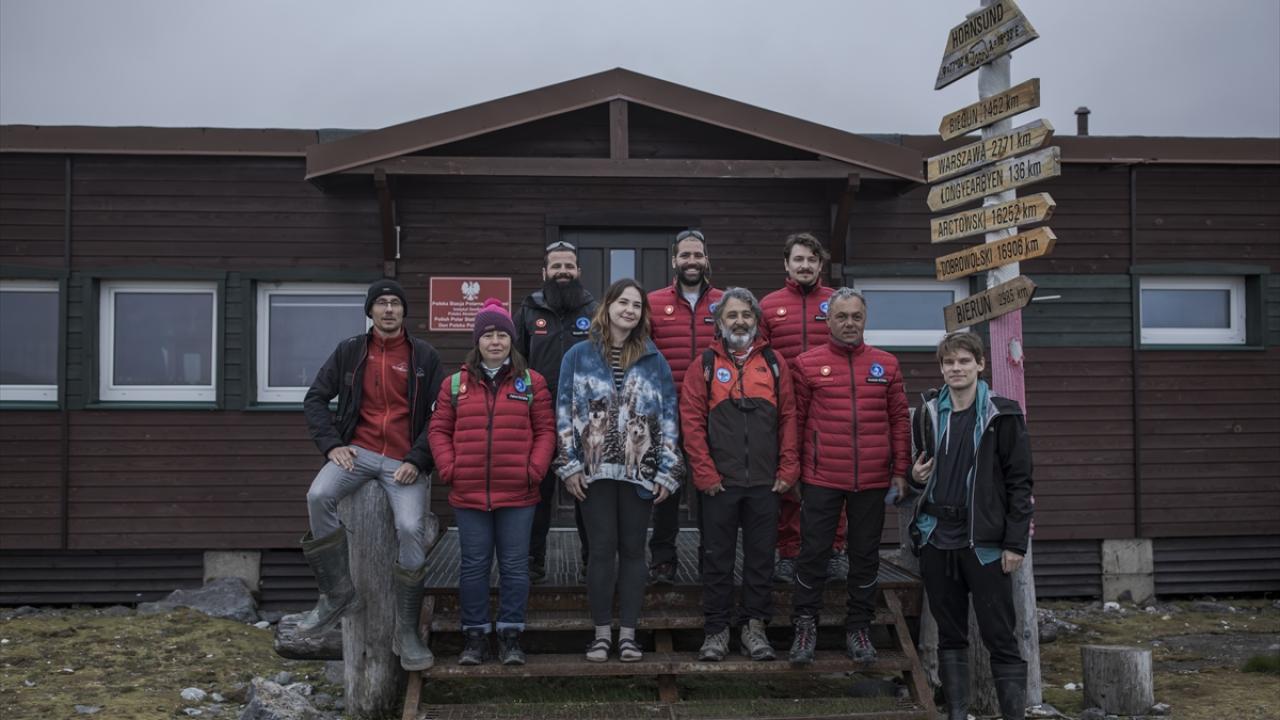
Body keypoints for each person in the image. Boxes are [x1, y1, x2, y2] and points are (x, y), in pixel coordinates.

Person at [299, 279, 445, 672]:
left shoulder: (424, 356)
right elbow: (315, 398)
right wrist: (332, 445)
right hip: (357, 453)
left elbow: (440, 416)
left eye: (395, 303)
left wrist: (417, 459)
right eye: (381, 303)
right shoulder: (350, 352)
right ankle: (338, 592)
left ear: (403, 311)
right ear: (370, 311)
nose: (388, 310)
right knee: (318, 496)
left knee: (411, 527)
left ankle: (407, 630)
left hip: (404, 461)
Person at [556, 279, 683, 662]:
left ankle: (628, 634)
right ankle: (600, 636)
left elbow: (668, 417)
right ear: (608, 306)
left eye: (637, 305)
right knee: (600, 550)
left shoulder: (653, 358)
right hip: (593, 472)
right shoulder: (577, 356)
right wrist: (569, 466)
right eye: (623, 302)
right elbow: (563, 412)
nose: (629, 309)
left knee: (632, 550)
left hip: (638, 471)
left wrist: (667, 470)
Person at [908, 331, 1033, 720]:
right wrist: (915, 476)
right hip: (937, 537)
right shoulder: (927, 412)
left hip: (985, 543)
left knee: (999, 635)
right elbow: (920, 470)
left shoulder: (1003, 414)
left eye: (964, 361)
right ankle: (957, 713)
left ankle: (1013, 713)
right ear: (941, 368)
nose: (956, 368)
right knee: (950, 634)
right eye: (949, 363)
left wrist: (1015, 544)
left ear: (980, 364)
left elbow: (1020, 483)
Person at [428, 298, 556, 666]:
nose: (495, 341)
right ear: (477, 341)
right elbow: (438, 430)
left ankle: (512, 636)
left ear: (512, 341)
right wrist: (449, 467)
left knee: (515, 566)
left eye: (502, 334)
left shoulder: (532, 382)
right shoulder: (455, 385)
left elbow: (547, 431)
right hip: (468, 493)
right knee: (473, 566)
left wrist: (535, 469)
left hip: (519, 493)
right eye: (488, 335)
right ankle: (475, 637)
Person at [787, 287, 909, 666]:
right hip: (821, 477)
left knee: (865, 556)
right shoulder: (807, 364)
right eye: (842, 316)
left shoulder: (886, 364)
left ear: (865, 319)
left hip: (872, 480)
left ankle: (859, 627)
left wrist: (901, 471)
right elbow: (796, 421)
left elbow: (899, 420)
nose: (849, 323)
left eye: (856, 316)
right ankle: (805, 625)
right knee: (812, 555)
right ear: (829, 319)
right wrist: (793, 471)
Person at [679, 287, 798, 662]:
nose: (740, 321)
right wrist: (704, 472)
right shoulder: (704, 365)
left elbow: (789, 418)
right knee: (717, 558)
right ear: (718, 322)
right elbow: (692, 423)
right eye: (732, 315)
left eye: (746, 314)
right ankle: (715, 631)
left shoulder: (775, 363)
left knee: (761, 558)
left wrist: (789, 467)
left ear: (757, 320)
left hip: (766, 482)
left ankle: (754, 628)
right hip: (720, 484)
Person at [759, 232, 845, 585]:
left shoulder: (838, 302)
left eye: (811, 259)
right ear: (786, 264)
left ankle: (835, 551)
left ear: (820, 265)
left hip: (831, 406)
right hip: (786, 408)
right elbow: (760, 358)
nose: (805, 265)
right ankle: (790, 552)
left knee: (834, 479)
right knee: (789, 481)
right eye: (798, 259)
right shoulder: (768, 306)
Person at [514, 240, 599, 584]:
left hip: (587, 420)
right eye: (556, 266)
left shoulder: (595, 311)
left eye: (569, 266)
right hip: (540, 419)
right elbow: (514, 363)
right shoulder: (528, 310)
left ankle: (592, 562)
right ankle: (532, 562)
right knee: (537, 492)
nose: (563, 272)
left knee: (588, 494)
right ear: (545, 272)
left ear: (578, 271)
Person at [645, 229, 723, 584]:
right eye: (685, 255)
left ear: (707, 259)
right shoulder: (653, 303)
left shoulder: (725, 303)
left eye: (697, 255)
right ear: (673, 261)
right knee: (666, 490)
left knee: (711, 489)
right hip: (667, 414)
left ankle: (712, 556)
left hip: (717, 413)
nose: (691, 261)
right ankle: (663, 558)